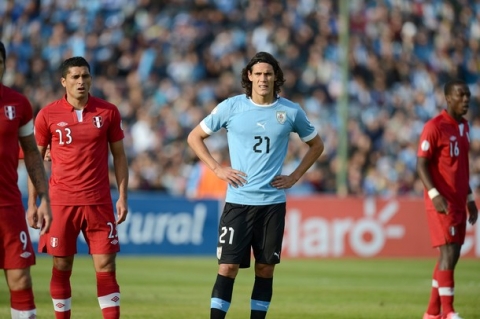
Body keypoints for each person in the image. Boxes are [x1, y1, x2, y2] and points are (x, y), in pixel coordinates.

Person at [187, 51, 324, 319]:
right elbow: (194, 137)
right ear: (249, 76)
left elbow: (317, 145)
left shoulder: (290, 111)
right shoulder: (231, 107)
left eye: (268, 74)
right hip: (238, 202)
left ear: (276, 78)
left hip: (272, 204)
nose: (263, 79)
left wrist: (294, 176)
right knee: (227, 268)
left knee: (265, 269)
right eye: (258, 74)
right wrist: (217, 168)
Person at [27, 56, 129, 319]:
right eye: (75, 77)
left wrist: (122, 196)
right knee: (62, 264)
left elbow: (119, 155)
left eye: (85, 76)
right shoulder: (47, 115)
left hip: (99, 202)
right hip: (61, 202)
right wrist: (33, 203)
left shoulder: (108, 111)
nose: (81, 81)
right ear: (64, 81)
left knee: (106, 265)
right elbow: (35, 161)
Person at [417, 79, 478, 319]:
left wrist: (470, 198)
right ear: (448, 98)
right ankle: (449, 312)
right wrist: (434, 195)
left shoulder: (464, 127)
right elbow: (421, 164)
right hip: (441, 201)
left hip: (458, 200)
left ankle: (432, 313)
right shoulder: (434, 127)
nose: (466, 100)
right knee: (449, 254)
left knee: (451, 255)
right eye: (461, 95)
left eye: (468, 95)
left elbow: (461, 167)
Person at [0, 41, 52, 318]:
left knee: (21, 280)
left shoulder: (18, 104)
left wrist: (41, 197)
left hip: (8, 207)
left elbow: (32, 152)